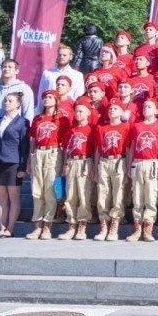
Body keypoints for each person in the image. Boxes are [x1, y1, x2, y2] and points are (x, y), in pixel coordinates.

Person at [0, 92, 29, 238]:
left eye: (10, 101)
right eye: (5, 100)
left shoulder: (23, 122)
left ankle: (10, 228)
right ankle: (2, 227)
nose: (6, 103)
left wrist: (23, 167)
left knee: (13, 197)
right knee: (1, 198)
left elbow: (24, 146)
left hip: (13, 163)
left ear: (18, 104)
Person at [27, 91, 67, 240]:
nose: (46, 99)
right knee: (37, 190)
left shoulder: (62, 119)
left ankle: (47, 226)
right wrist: (29, 159)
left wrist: (63, 164)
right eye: (44, 97)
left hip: (54, 152)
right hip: (38, 152)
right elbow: (32, 139)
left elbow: (65, 143)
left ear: (56, 100)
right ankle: (37, 226)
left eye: (50, 97)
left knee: (51, 190)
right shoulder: (37, 118)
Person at [127, 97, 158, 242]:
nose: (146, 109)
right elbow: (131, 147)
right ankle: (137, 228)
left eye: (150, 107)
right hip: (138, 163)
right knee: (137, 196)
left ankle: (148, 228)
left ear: (156, 110)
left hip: (152, 163)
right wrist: (129, 165)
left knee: (150, 196)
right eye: (144, 106)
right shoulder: (136, 126)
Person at [93, 101, 130, 241]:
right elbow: (97, 149)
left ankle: (114, 225)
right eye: (110, 108)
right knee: (102, 193)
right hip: (104, 160)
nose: (112, 110)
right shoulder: (101, 127)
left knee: (118, 193)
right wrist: (95, 168)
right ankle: (103, 224)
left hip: (119, 160)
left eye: (115, 108)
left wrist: (128, 166)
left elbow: (128, 148)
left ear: (122, 112)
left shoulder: (125, 127)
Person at [60, 102, 96, 240]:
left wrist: (94, 167)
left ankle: (82, 225)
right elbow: (65, 149)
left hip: (85, 161)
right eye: (76, 111)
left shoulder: (92, 129)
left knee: (83, 194)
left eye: (81, 111)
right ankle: (71, 225)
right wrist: (64, 165)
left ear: (88, 113)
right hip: (71, 161)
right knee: (70, 194)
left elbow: (95, 149)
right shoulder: (71, 130)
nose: (78, 114)